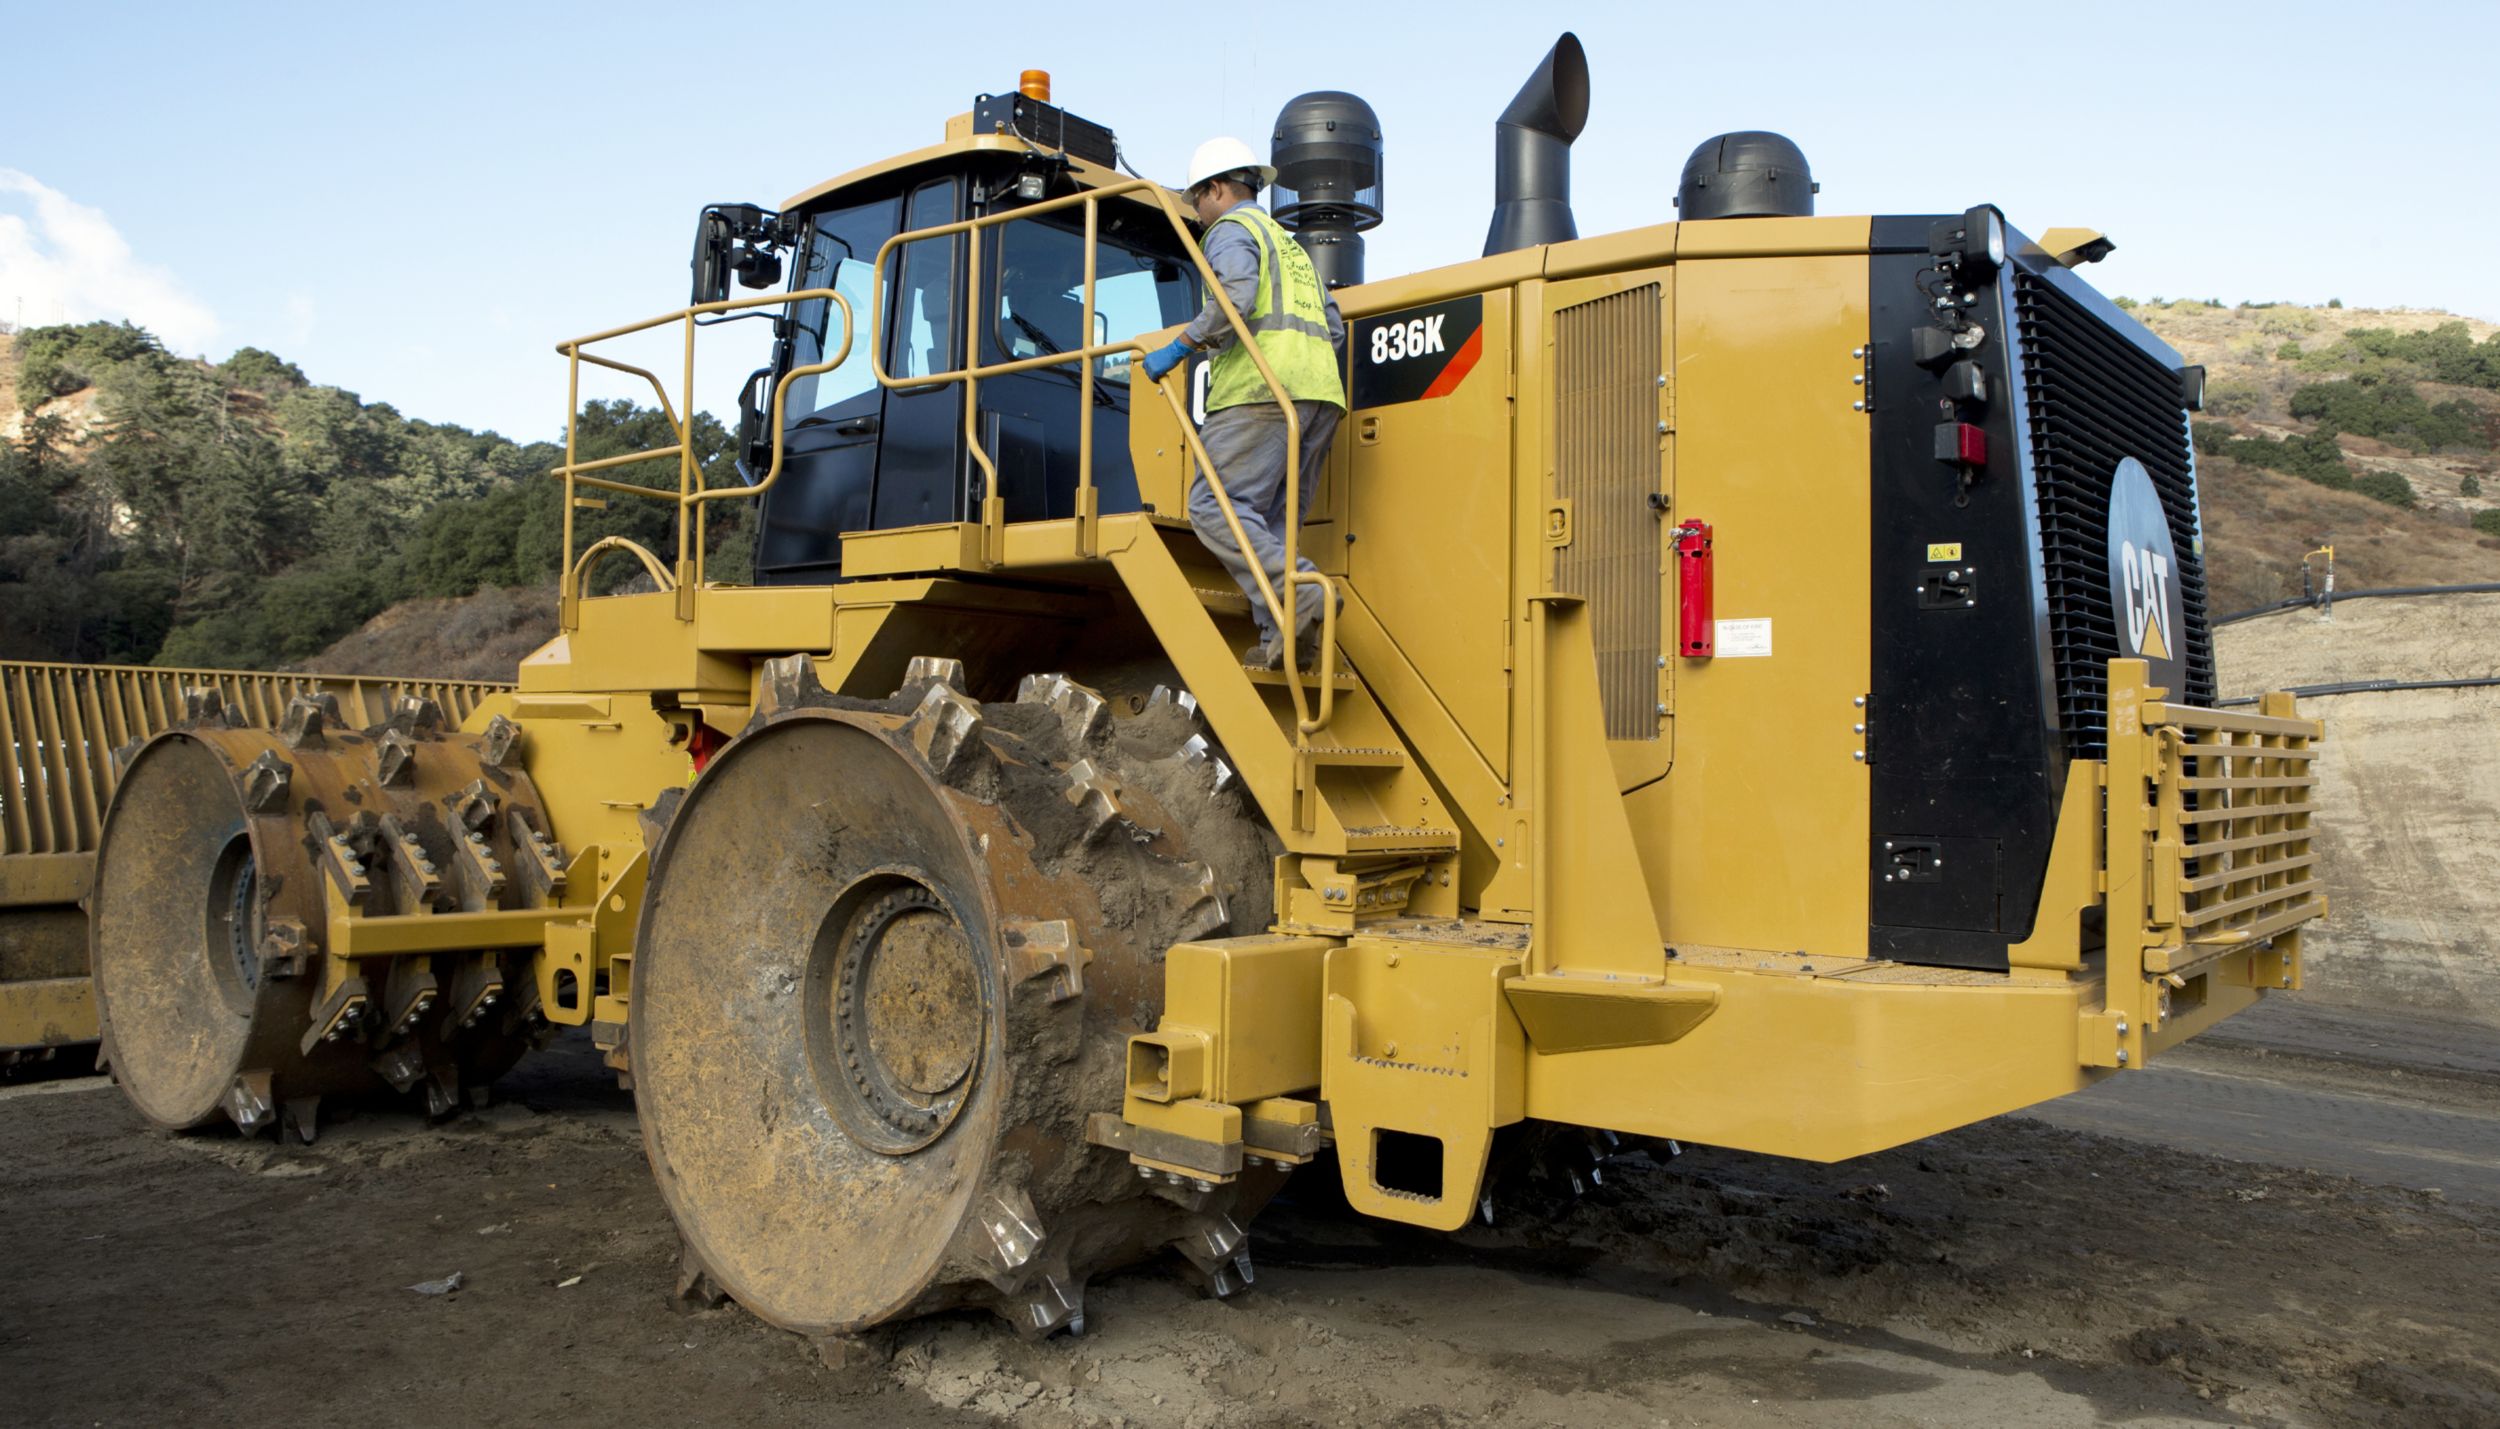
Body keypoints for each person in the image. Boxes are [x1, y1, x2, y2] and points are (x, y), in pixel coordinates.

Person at [1135, 137, 1347, 669]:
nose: (1198, 216)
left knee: (1214, 507)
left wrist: (1181, 347)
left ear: (1218, 189)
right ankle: (1284, 634)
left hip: (1261, 391)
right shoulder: (1289, 244)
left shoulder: (1231, 231)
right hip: (1319, 393)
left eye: (1197, 201)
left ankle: (1302, 595)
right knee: (1272, 521)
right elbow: (1335, 327)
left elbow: (1236, 295)